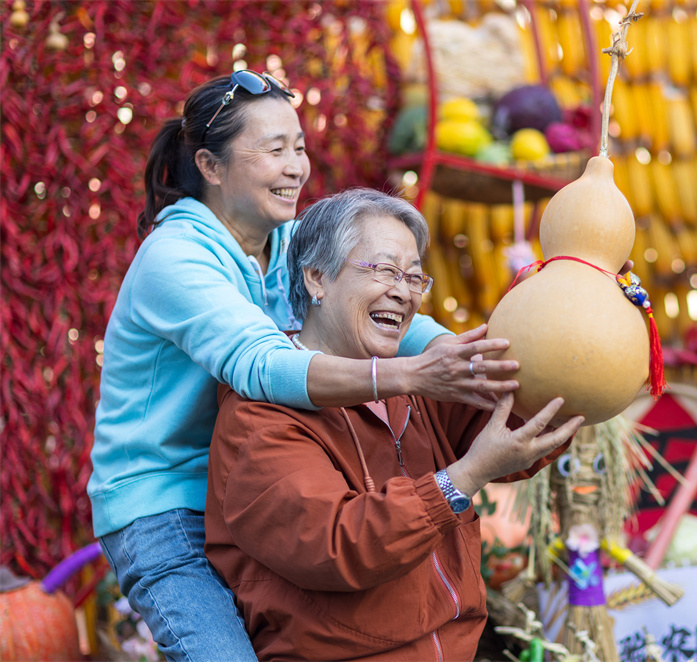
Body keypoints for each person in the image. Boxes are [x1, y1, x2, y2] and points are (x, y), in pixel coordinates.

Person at [88, 71, 520, 661]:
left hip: (244, 489)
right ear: (211, 167)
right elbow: (263, 365)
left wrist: (475, 357)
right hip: (165, 508)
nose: (296, 167)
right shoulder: (174, 258)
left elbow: (390, 312)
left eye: (299, 148)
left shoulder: (286, 241)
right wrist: (412, 376)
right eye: (274, 151)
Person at [204, 188, 585, 661]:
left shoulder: (415, 383)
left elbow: (511, 420)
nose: (402, 291)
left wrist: (582, 346)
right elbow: (338, 544)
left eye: (413, 277)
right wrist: (464, 477)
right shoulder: (259, 415)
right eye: (384, 270)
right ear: (317, 278)